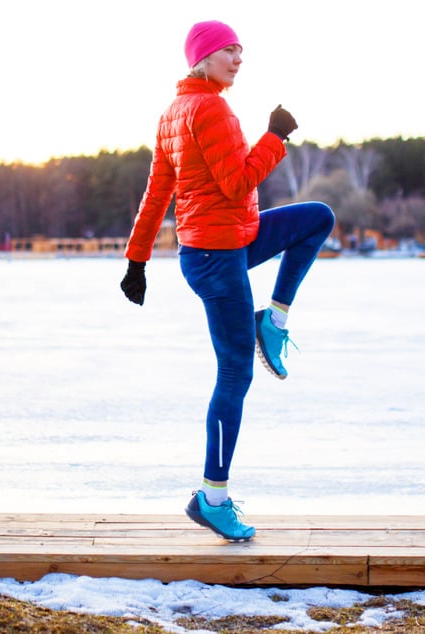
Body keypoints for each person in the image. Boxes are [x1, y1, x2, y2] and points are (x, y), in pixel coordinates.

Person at [119, 20, 335, 542]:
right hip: (218, 257)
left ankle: (273, 321)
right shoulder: (208, 108)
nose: (238, 59)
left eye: (241, 50)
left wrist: (138, 259)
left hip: (226, 241)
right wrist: (276, 137)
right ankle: (212, 497)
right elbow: (238, 178)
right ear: (202, 59)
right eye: (227, 51)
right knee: (236, 374)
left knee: (316, 217)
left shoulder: (174, 112)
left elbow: (157, 194)